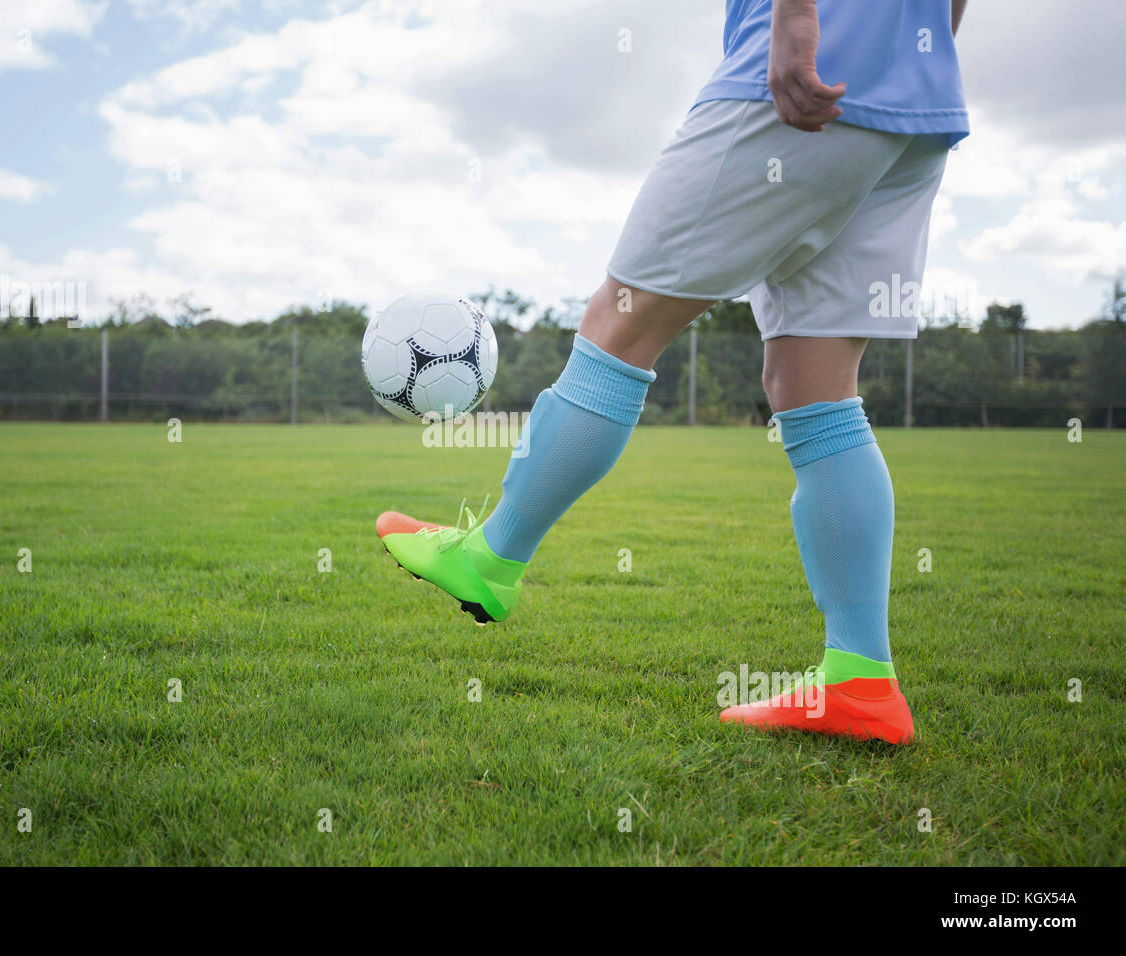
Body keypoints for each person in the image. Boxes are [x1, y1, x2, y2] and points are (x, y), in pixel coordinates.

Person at [376, 0, 969, 745]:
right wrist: (920, 52)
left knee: (619, 322)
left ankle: (491, 558)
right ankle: (860, 679)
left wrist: (795, 19)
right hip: (917, 107)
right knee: (814, 385)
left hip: (806, 73)